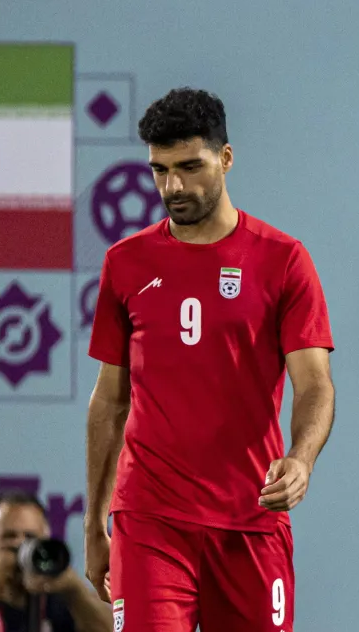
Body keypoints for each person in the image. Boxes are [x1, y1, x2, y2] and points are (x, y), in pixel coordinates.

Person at [83, 87, 336, 632]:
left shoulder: (283, 260)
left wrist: (301, 458)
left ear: (225, 158)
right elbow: (109, 402)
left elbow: (314, 384)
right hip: (149, 518)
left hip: (251, 518)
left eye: (190, 166)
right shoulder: (124, 265)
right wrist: (92, 528)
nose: (173, 186)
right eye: (159, 170)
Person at [0, 490, 113, 632]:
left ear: (46, 541)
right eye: (9, 536)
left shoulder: (67, 604)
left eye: (30, 537)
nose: (21, 544)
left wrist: (75, 590)